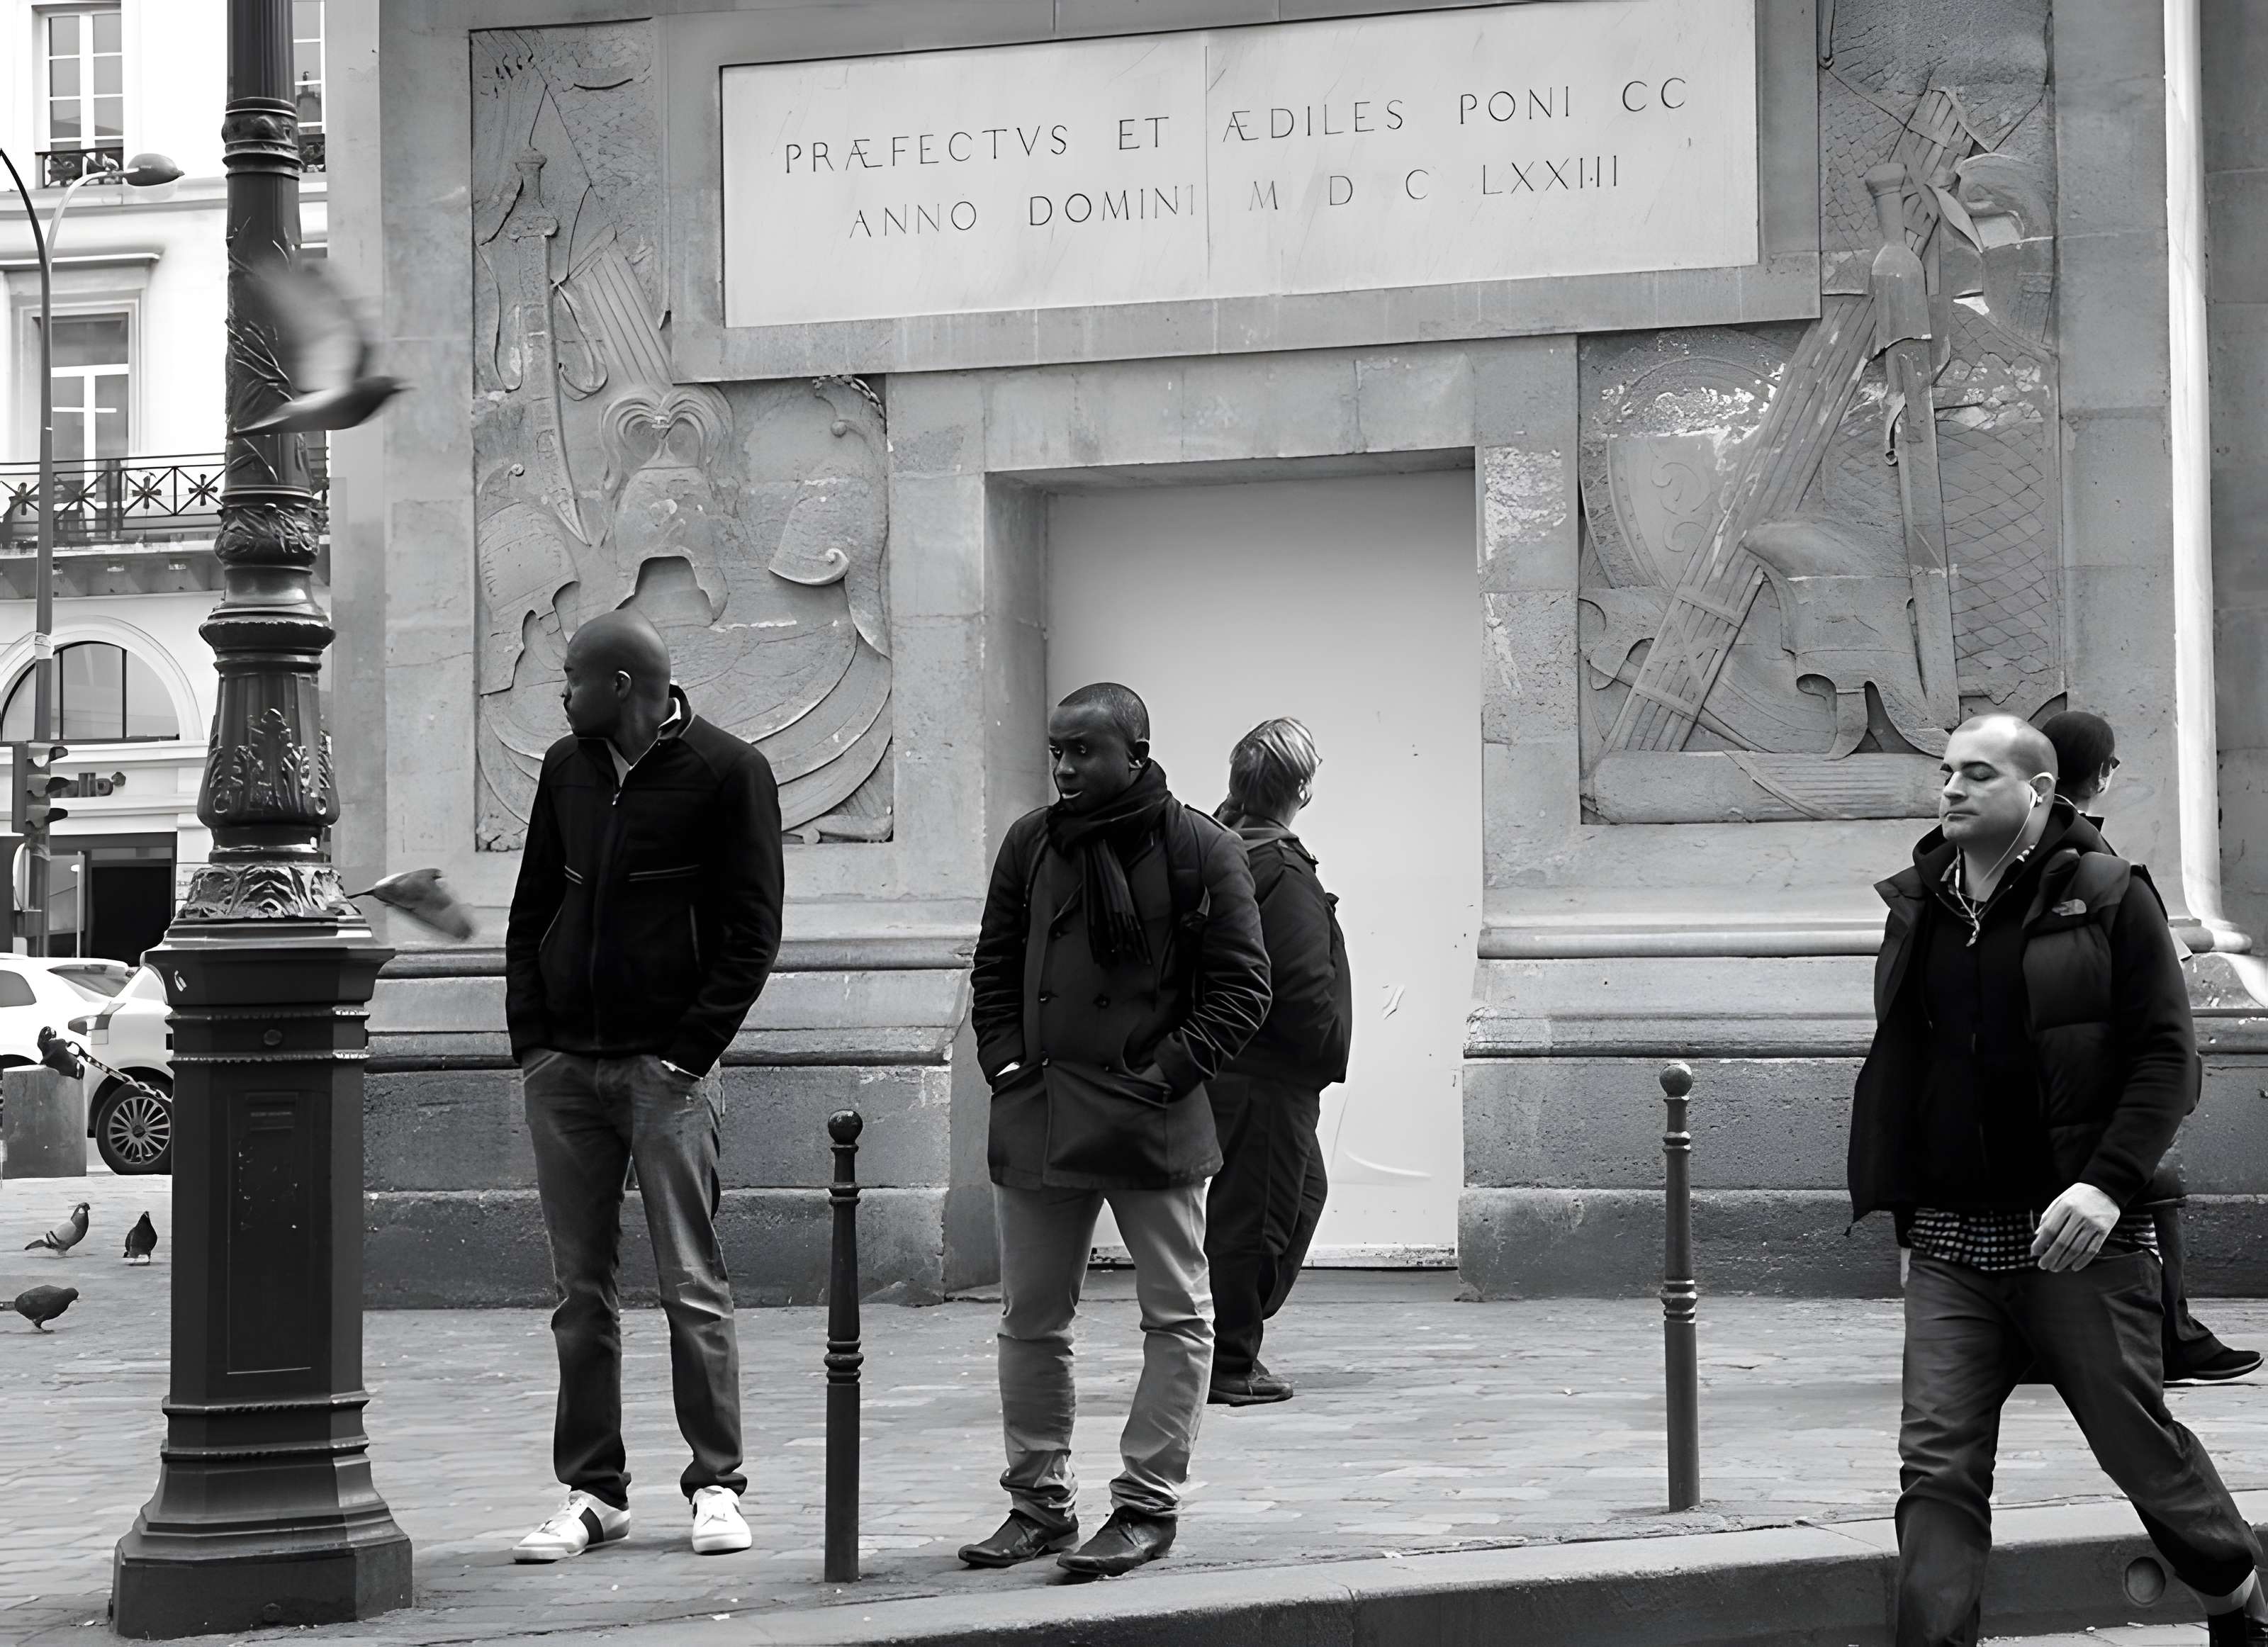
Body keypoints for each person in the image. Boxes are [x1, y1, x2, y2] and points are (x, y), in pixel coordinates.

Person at [1848, 712, 2267, 1645]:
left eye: (1977, 774)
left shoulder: (2109, 894)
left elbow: (2167, 1059)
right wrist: (1908, 1212)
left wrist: (2106, 1184)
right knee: (1937, 1469)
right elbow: (1910, 1066)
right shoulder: (1918, 901)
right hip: (1952, 1240)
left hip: (2080, 1238)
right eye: (1946, 771)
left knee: (2136, 1447)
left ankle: (2234, 1590)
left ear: (2037, 792)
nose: (1949, 789)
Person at [960, 682, 1271, 1578]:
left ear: (1135, 752)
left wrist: (1162, 1073)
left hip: (1150, 1114)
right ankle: (1037, 1502)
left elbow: (1243, 989)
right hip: (1042, 1107)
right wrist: (1005, 1063)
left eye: (1082, 750)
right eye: (1056, 750)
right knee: (1029, 1319)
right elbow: (994, 963)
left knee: (1176, 1314)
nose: (1063, 767)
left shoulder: (1200, 847)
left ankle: (1144, 1503)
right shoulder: (1030, 842)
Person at [503, 610, 785, 1563]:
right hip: (566, 1070)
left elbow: (753, 930)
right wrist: (533, 1042)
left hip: (668, 1073)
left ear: (620, 685)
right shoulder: (564, 768)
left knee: (691, 1284)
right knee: (578, 1293)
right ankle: (593, 1493)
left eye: (571, 677)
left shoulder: (729, 770)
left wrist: (689, 1053)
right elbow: (533, 906)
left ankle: (717, 1485)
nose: (561, 694)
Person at [2041, 709, 2260, 1388]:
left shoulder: (2042, 846)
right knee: (2143, 1179)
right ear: (2105, 773)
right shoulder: (2090, 854)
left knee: (2145, 1186)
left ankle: (2172, 1334)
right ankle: (2171, 1337)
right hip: (2087, 1070)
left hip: (2065, 1065)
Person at [1205, 719, 1351, 1407]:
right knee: (1257, 1216)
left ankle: (1223, 1335)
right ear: (1301, 788)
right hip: (1270, 1074)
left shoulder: (1223, 848)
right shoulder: (1283, 871)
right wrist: (1320, 1051)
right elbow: (1299, 987)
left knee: (1296, 1196)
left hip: (1236, 1068)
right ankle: (1228, 1359)